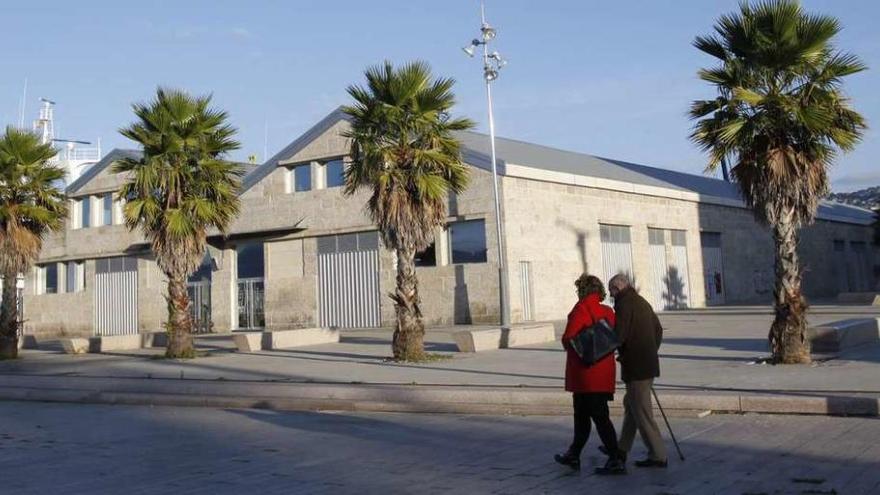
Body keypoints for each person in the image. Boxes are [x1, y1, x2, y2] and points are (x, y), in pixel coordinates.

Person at [554, 274, 626, 475]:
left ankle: (615, 457)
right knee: (590, 415)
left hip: (585, 375)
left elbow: (569, 338)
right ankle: (574, 453)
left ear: (582, 291)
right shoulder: (607, 311)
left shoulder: (581, 309)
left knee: (591, 417)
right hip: (604, 373)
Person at [607, 273, 668, 468]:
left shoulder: (624, 305)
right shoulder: (642, 301)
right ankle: (622, 448)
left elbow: (620, 335)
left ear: (618, 288)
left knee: (642, 411)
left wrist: (606, 346)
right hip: (647, 363)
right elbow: (658, 329)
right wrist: (651, 350)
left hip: (636, 366)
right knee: (632, 407)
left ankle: (658, 455)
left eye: (611, 292)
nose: (611, 295)